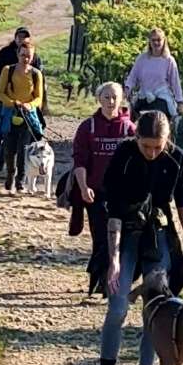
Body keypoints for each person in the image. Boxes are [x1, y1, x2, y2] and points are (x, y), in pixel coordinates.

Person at [85, 111, 183, 365]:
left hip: (158, 231)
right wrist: (114, 260)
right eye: (145, 146)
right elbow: (113, 213)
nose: (151, 153)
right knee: (118, 303)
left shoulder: (175, 159)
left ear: (167, 139)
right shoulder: (124, 156)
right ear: (136, 138)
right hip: (124, 229)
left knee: (155, 309)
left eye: (157, 147)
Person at [70, 82, 135, 295]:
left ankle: (108, 280)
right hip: (95, 191)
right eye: (106, 97)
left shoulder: (129, 129)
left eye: (115, 97)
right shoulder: (87, 127)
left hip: (122, 194)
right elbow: (79, 161)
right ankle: (98, 279)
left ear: (121, 99)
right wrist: (83, 187)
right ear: (99, 99)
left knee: (117, 237)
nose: (111, 101)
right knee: (100, 237)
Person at [0, 39, 44, 193]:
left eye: (29, 56)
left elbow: (39, 98)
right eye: (23, 55)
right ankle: (10, 173)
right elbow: (0, 93)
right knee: (10, 148)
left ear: (33, 56)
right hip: (10, 113)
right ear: (18, 54)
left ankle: (20, 181)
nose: (26, 58)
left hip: (28, 116)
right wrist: (11, 102)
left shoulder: (36, 74)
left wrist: (29, 105)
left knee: (25, 149)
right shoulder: (7, 70)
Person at [0, 27, 44, 137]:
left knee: (38, 130)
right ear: (15, 38)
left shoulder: (35, 57)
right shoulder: (4, 53)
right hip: (7, 96)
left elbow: (41, 82)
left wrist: (36, 105)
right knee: (0, 128)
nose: (22, 39)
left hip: (28, 102)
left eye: (25, 36)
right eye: (20, 36)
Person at [123, 27, 183, 125]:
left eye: (159, 40)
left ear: (163, 40)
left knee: (160, 121)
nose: (156, 43)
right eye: (153, 40)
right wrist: (127, 88)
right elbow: (133, 76)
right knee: (130, 121)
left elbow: (175, 83)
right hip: (144, 96)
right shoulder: (142, 59)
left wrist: (180, 102)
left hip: (161, 97)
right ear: (149, 42)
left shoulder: (169, 60)